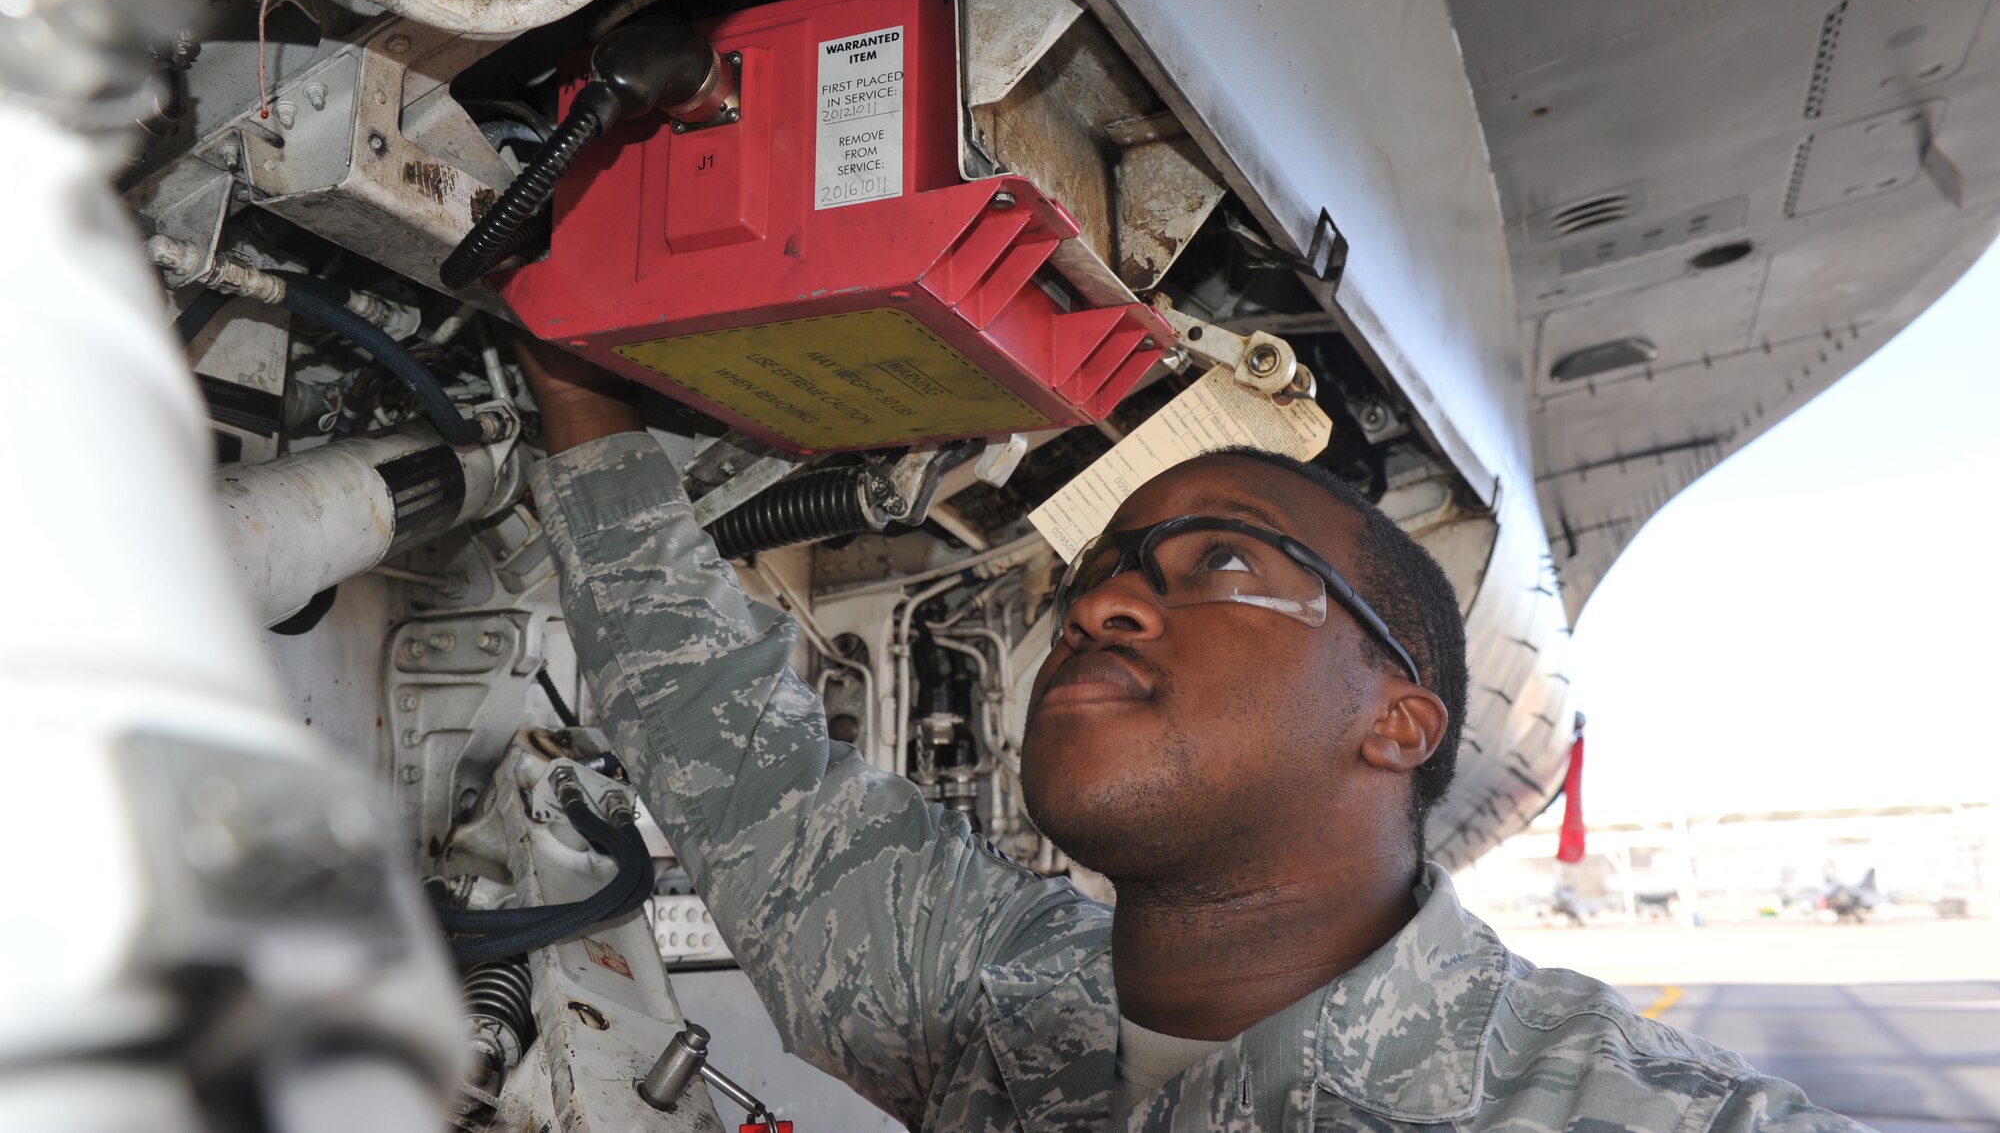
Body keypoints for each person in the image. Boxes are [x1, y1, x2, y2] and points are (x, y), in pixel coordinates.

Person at [516, 342, 1863, 1133]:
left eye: (1219, 562)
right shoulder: (1001, 999)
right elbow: (739, 754)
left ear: (1398, 722)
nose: (1099, 602)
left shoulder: (1613, 1113)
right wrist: (581, 400)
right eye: (1100, 569)